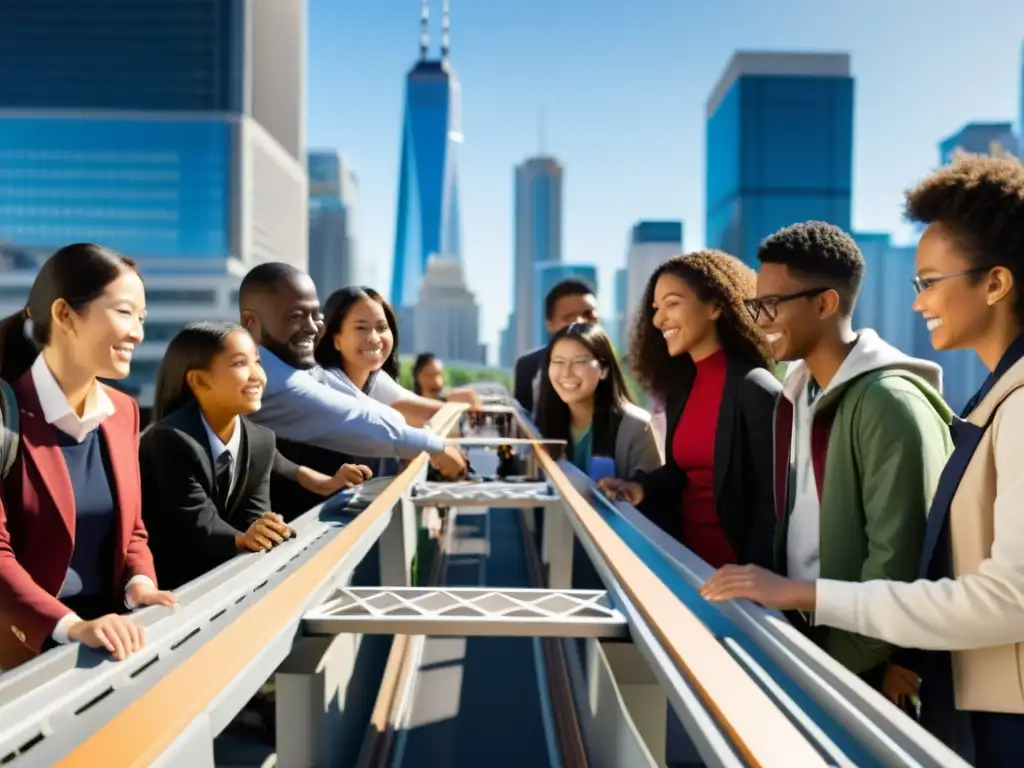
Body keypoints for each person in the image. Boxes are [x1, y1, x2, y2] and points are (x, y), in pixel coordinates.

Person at [702, 156, 1024, 765]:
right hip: (965, 689)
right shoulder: (797, 398)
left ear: (996, 283)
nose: (917, 302)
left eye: (930, 282)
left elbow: (985, 589)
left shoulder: (946, 404)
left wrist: (812, 612)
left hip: (978, 704)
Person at [702, 221, 953, 701]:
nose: (760, 319)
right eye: (755, 306)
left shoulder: (888, 403)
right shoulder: (797, 395)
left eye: (771, 305)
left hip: (859, 666)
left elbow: (900, 563)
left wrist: (839, 663)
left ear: (825, 303)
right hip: (808, 642)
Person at [0, 243, 176, 669]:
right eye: (123, 313)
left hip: (109, 647)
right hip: (26, 656)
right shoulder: (6, 415)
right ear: (64, 315)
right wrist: (69, 625)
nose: (137, 332)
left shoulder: (123, 413)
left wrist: (140, 584)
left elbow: (132, 528)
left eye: (141, 318)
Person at [141, 322, 372, 589]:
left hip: (225, 586)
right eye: (240, 364)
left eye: (258, 362)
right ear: (199, 380)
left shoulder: (260, 441)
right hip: (167, 594)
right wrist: (244, 538)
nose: (257, 376)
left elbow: (255, 514)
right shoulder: (169, 439)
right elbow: (196, 520)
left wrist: (266, 528)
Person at [236, 264, 466, 518]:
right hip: (287, 529)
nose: (313, 327)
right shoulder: (273, 375)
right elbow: (355, 418)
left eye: (315, 316)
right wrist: (434, 446)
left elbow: (380, 412)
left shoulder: (324, 374)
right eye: (295, 316)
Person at [598, 251, 780, 569]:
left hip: (739, 582)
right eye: (656, 309)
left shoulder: (755, 388)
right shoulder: (682, 388)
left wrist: (752, 581)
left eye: (672, 304)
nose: (658, 320)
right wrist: (639, 488)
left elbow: (774, 503)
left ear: (715, 306)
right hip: (685, 566)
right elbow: (683, 473)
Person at [315, 288, 478, 429]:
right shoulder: (322, 383)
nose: (374, 338)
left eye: (382, 327)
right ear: (335, 340)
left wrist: (452, 403)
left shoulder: (376, 380)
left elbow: (420, 411)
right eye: (361, 327)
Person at [534, 323, 662, 480]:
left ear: (604, 370)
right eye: (558, 362)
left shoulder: (636, 426)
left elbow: (652, 497)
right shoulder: (539, 425)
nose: (566, 372)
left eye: (579, 361)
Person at [514, 279, 598, 416]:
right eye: (568, 317)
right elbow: (523, 423)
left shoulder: (613, 363)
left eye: (588, 315)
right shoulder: (529, 366)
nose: (579, 322)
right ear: (550, 325)